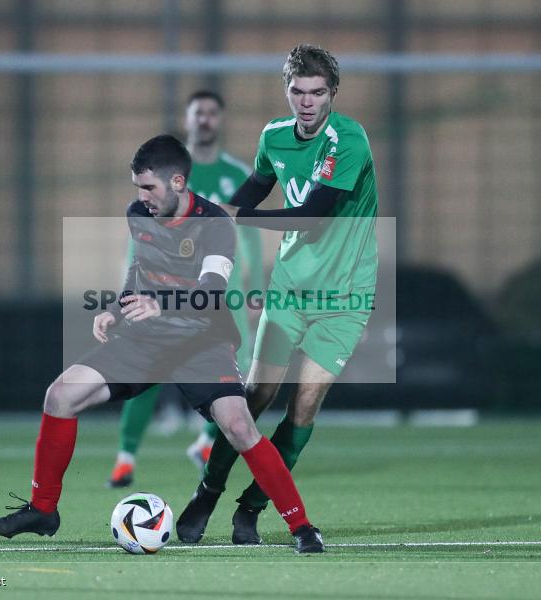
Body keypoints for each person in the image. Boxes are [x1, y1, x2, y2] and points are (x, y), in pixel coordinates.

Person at [0, 134, 324, 553]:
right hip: (147, 340)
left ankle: (302, 527)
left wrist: (158, 304)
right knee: (60, 395)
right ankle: (43, 509)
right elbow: (140, 269)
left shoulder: (215, 225)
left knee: (238, 424)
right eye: (137, 188)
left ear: (178, 183)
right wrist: (119, 308)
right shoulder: (138, 214)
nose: (141, 197)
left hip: (202, 342)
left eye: (149, 187)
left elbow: (211, 292)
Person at [175, 44, 378, 545]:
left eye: (316, 92)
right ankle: (208, 491)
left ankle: (252, 508)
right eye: (297, 91)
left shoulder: (347, 140)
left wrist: (238, 215)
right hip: (289, 289)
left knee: (303, 407)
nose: (306, 102)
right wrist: (220, 216)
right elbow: (257, 187)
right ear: (286, 91)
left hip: (345, 297)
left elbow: (312, 215)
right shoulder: (273, 137)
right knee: (253, 398)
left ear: (332, 93)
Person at [106, 90, 264, 488]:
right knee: (145, 368)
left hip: (215, 291)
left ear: (220, 120)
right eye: (199, 113)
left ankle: (207, 445)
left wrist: (255, 290)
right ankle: (126, 455)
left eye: (212, 113)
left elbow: (247, 236)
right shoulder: (164, 171)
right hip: (160, 285)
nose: (206, 120)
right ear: (189, 119)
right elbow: (141, 230)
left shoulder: (235, 174)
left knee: (232, 377)